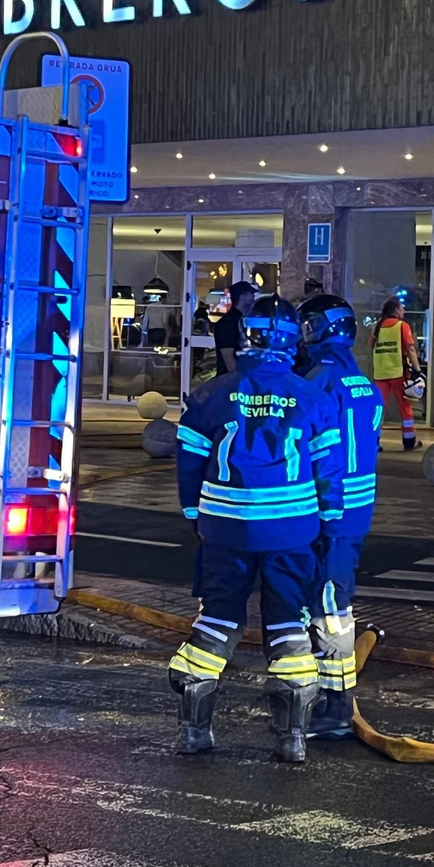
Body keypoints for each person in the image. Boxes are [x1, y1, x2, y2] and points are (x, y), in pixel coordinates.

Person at [168, 295, 345, 763]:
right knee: (289, 623)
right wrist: (328, 525)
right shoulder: (313, 398)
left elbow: (188, 469)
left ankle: (195, 730)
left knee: (218, 618)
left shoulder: (209, 395)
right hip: (292, 532)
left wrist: (195, 518)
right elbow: (329, 475)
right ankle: (293, 738)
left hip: (224, 530)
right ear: (292, 340)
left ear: (247, 336)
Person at [298, 293, 382, 739]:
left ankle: (335, 706)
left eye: (309, 325)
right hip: (354, 510)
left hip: (326, 509)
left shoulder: (318, 382)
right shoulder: (360, 381)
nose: (302, 334)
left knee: (329, 606)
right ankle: (323, 693)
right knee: (329, 599)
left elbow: (313, 450)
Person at [370, 297, 422, 450]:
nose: (404, 310)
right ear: (396, 310)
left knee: (379, 409)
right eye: (402, 308)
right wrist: (418, 371)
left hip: (380, 373)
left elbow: (370, 346)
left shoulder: (378, 327)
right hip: (398, 372)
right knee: (405, 407)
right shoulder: (402, 326)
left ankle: (374, 442)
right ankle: (409, 441)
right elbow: (411, 349)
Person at [212, 281, 257, 377]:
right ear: (242, 296)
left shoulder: (241, 319)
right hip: (228, 380)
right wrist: (237, 380)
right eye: (250, 293)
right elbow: (228, 355)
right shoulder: (229, 322)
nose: (253, 297)